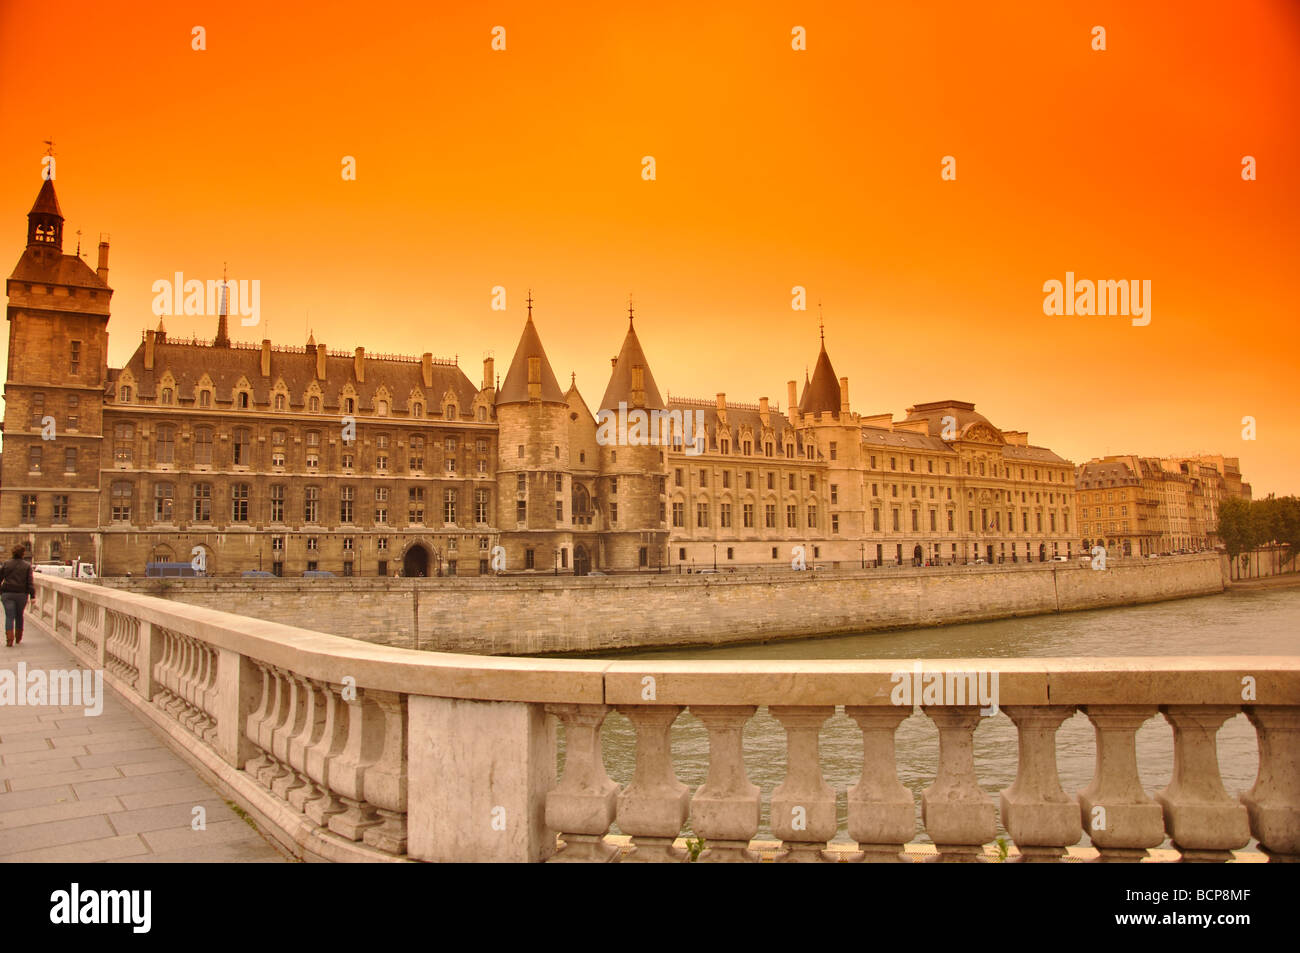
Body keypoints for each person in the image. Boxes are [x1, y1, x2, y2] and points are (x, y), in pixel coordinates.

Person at [2, 544, 36, 647]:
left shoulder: (6, 564)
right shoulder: (27, 566)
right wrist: (32, 596)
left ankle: (9, 640)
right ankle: (18, 637)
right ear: (23, 553)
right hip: (21, 594)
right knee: (19, 615)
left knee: (9, 616)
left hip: (7, 594)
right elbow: (30, 582)